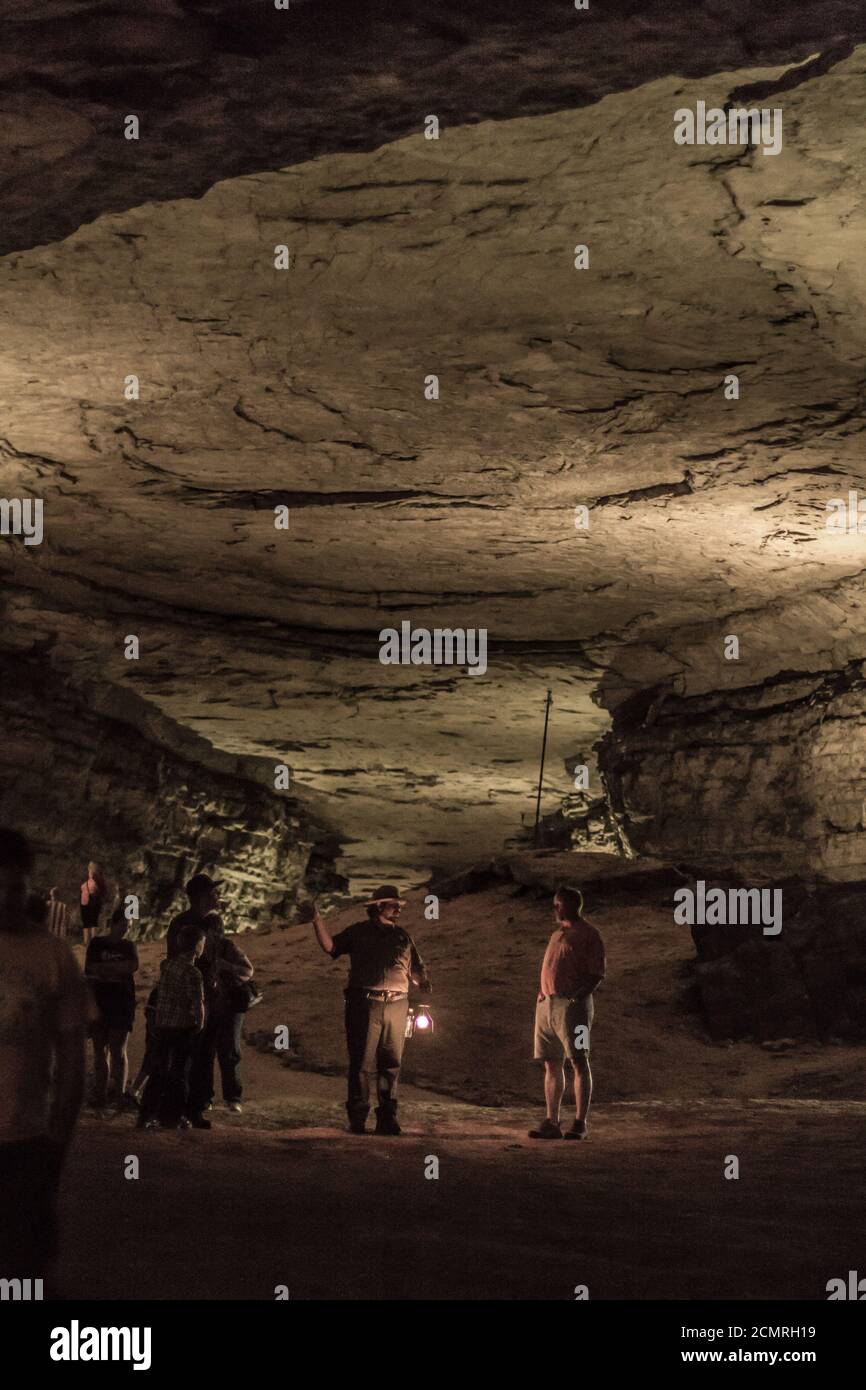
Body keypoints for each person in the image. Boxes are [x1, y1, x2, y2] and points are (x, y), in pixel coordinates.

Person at [0, 828, 88, 1289]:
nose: (5, 898)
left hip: (25, 1140)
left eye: (14, 887)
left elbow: (73, 1056)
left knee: (21, 1271)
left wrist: (58, 1137)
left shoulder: (52, 956)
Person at [310, 885, 431, 1136]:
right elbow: (331, 947)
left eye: (398, 904)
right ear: (378, 906)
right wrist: (316, 919)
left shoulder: (403, 936)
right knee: (362, 1062)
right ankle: (358, 1118)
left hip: (397, 1004)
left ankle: (387, 1119)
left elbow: (416, 970)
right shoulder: (358, 932)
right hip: (365, 1004)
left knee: (391, 1063)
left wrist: (423, 985)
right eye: (393, 904)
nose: (398, 908)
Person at [168, 873, 253, 1125]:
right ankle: (181, 1106)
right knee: (190, 1052)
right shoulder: (181, 923)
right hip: (193, 993)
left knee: (205, 1051)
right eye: (214, 892)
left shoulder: (215, 922)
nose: (218, 896)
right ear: (202, 896)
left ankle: (198, 1104)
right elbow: (175, 957)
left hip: (215, 996)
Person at [529, 886, 605, 1141]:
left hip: (572, 1008)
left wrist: (575, 998)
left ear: (573, 905)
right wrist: (542, 994)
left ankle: (580, 1122)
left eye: (558, 904)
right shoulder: (557, 934)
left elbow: (597, 974)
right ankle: (552, 1121)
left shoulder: (589, 935)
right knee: (551, 1062)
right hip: (548, 1005)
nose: (555, 909)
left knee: (578, 1061)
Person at [138, 923, 206, 1130]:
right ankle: (172, 1117)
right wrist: (200, 1024)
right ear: (197, 947)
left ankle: (146, 1115)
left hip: (163, 1025)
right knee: (179, 1073)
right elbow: (197, 1004)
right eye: (203, 943)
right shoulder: (193, 973)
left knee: (159, 1070)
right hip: (183, 1028)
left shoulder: (166, 965)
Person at [84, 907, 138, 1111]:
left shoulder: (129, 946)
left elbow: (132, 966)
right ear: (114, 923)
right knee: (100, 1051)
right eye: (125, 924)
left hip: (122, 1004)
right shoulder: (97, 944)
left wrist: (105, 971)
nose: (127, 929)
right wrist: (116, 971)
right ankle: (100, 1096)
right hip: (101, 1003)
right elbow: (90, 970)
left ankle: (119, 1096)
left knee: (118, 1050)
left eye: (130, 926)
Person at [80, 861, 108, 948]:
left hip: (88, 902)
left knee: (89, 923)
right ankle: (90, 941)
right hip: (92, 902)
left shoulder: (93, 880)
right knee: (92, 922)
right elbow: (103, 892)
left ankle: (88, 941)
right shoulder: (99, 880)